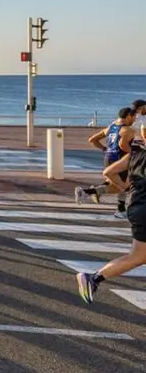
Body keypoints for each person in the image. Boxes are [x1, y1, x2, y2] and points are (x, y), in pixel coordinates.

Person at [77, 136, 146, 304]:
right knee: (137, 257)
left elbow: (108, 172)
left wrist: (127, 188)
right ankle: (93, 278)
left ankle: (94, 278)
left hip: (136, 206)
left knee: (138, 257)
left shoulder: (136, 152)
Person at [76, 107, 136, 217]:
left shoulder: (110, 127)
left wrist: (105, 149)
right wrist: (135, 154)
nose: (135, 119)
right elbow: (122, 145)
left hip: (108, 159)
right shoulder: (128, 130)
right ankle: (119, 209)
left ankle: (120, 209)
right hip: (120, 159)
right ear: (128, 117)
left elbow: (92, 140)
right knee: (124, 186)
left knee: (116, 186)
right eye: (134, 117)